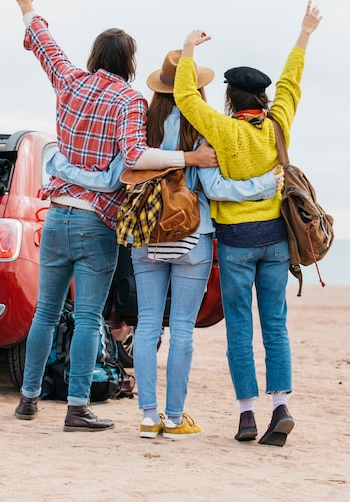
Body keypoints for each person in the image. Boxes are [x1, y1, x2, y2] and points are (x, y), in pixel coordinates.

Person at [11, 0, 217, 432]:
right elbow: (135, 156)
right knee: (86, 317)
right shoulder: (127, 99)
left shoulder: (69, 81)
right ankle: (77, 406)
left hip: (57, 213)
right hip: (95, 222)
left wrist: (26, 5)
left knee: (45, 312)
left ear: (94, 57)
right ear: (129, 61)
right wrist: (189, 156)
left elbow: (45, 45)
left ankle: (27, 398)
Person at [48, 48, 285, 439]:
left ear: (159, 89)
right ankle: (174, 418)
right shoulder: (203, 129)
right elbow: (215, 188)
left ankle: (146, 416)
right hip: (193, 236)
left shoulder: (143, 121)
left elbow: (125, 167)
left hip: (148, 236)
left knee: (146, 329)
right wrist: (265, 184)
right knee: (183, 331)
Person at [173, 1, 322, 445]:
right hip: (276, 241)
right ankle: (281, 406)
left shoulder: (222, 129)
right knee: (274, 324)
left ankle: (246, 416)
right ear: (262, 98)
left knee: (239, 326)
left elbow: (183, 97)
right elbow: (292, 82)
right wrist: (305, 33)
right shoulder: (278, 126)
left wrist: (187, 50)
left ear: (229, 98)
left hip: (235, 244)